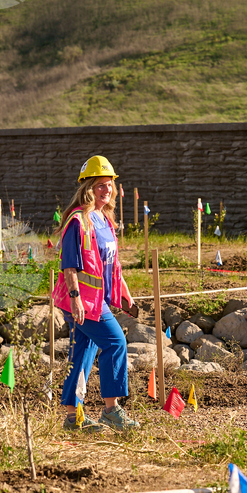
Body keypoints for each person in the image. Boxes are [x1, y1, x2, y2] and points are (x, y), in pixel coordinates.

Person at [52, 155, 140, 432]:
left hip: (97, 300)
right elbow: (69, 264)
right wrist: (76, 298)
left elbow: (111, 265)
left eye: (110, 184)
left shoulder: (105, 220)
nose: (107, 189)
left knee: (82, 354)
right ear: (88, 187)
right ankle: (112, 410)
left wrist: (124, 295)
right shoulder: (78, 221)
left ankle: (72, 417)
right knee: (116, 344)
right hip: (83, 303)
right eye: (100, 184)